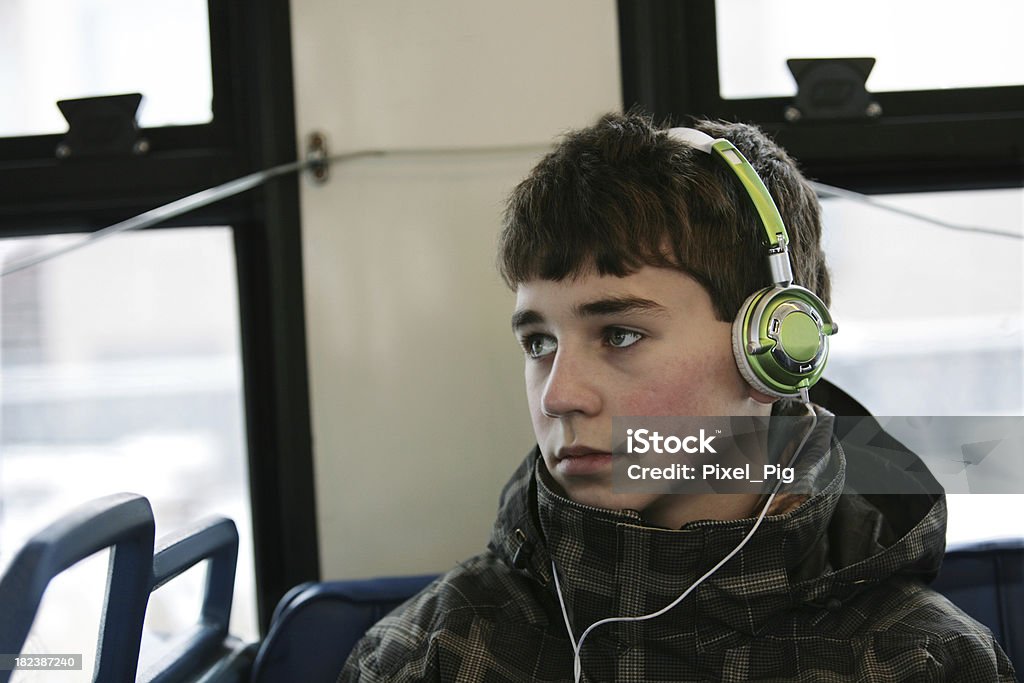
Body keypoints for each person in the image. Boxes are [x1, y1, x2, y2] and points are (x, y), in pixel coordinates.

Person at [338, 112, 1016, 682]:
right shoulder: (432, 652)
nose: (560, 395)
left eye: (620, 334)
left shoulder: (917, 661)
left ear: (775, 351)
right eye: (540, 342)